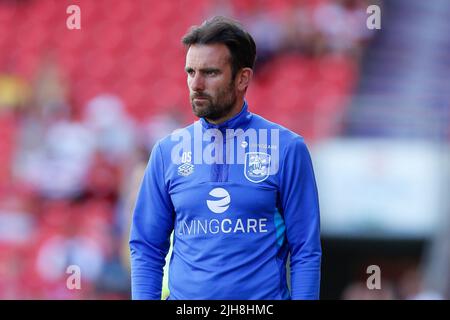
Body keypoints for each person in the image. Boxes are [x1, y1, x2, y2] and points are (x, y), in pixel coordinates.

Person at [129, 16, 321, 300]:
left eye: (210, 73)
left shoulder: (287, 149)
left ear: (242, 78)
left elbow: (306, 249)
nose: (196, 84)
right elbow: (146, 246)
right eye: (190, 72)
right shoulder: (167, 152)